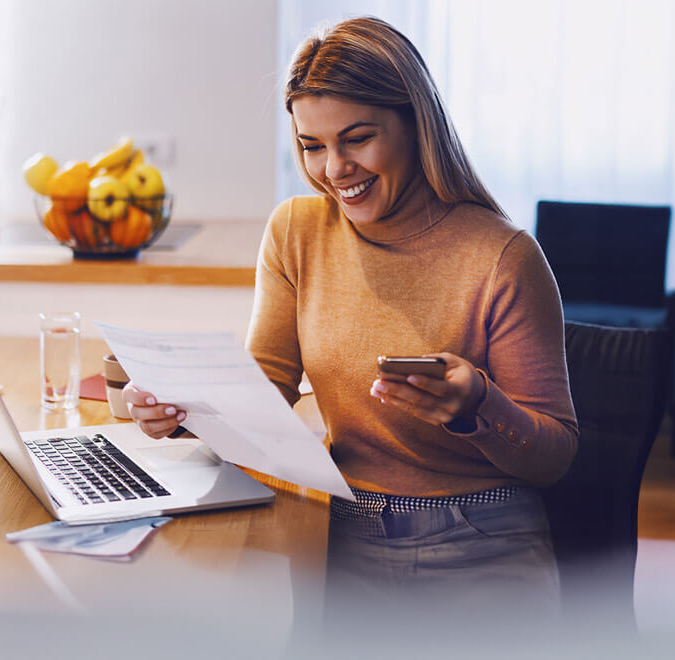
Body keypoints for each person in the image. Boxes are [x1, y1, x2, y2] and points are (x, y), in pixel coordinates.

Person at [123, 16, 579, 633]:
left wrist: (477, 406)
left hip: (477, 540)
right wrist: (178, 412)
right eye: (312, 146)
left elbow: (553, 456)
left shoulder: (503, 257)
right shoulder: (297, 233)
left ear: (416, 125)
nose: (334, 169)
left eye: (357, 139)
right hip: (339, 529)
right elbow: (265, 394)